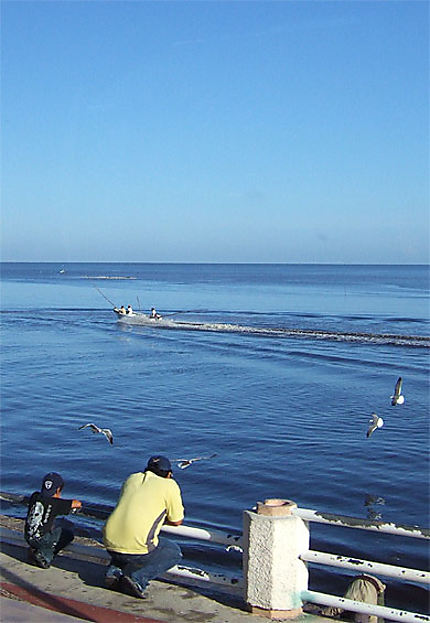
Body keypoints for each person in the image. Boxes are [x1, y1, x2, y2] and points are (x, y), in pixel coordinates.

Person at [103, 456, 184, 598]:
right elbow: (177, 521)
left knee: (125, 540)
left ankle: (114, 573)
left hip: (109, 540)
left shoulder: (132, 478)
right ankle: (138, 580)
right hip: (136, 548)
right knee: (173, 552)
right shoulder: (170, 485)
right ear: (168, 474)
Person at [24, 472, 82, 569]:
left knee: (50, 527)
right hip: (42, 540)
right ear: (58, 489)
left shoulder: (34, 496)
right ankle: (45, 556)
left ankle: (35, 551)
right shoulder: (56, 503)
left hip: (28, 537)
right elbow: (77, 503)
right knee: (67, 534)